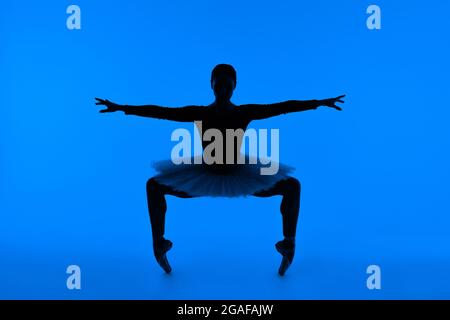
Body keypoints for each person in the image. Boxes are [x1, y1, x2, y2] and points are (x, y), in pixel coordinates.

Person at [95, 64, 345, 276]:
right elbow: (161, 112)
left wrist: (318, 103)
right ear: (212, 86)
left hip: (240, 174)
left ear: (234, 87)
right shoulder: (200, 113)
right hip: (204, 174)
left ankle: (288, 243)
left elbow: (281, 107)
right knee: (153, 185)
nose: (223, 89)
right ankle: (158, 243)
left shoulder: (244, 112)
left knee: (292, 186)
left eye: (228, 85)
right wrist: (122, 107)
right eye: (219, 85)